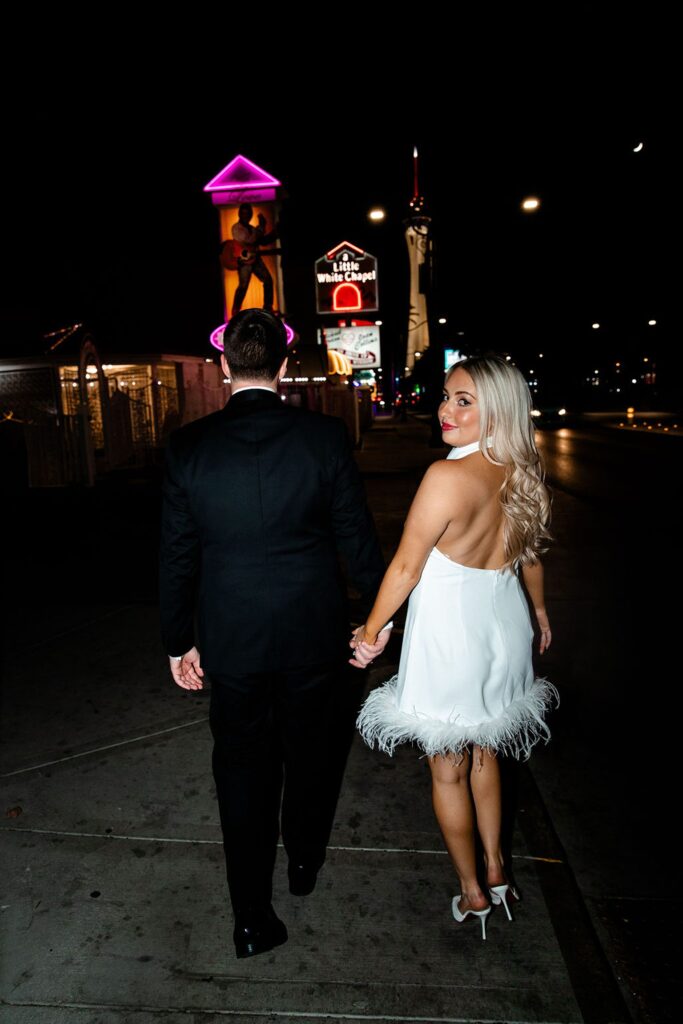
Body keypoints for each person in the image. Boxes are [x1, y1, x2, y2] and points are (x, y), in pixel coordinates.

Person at [159, 308, 389, 959]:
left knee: (241, 772)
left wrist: (179, 640)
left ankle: (251, 919)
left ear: (224, 365)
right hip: (314, 636)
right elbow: (357, 542)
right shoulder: (323, 438)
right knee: (312, 756)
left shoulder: (187, 447)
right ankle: (303, 863)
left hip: (231, 640)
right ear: (285, 367)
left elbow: (177, 556)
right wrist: (377, 622)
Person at [353, 354, 558, 941]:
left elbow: (404, 568)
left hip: (453, 638)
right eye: (446, 396)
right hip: (505, 625)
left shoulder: (447, 477)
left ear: (496, 409)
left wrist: (370, 635)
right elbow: (531, 554)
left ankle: (473, 893)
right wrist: (539, 611)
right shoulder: (519, 466)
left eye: (464, 400)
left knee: (448, 768)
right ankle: (498, 870)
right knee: (487, 751)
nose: (445, 409)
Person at [231, 204, 277, 316]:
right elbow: (248, 240)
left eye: (248, 213)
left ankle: (268, 306)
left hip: (255, 259)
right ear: (240, 214)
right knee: (243, 286)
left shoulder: (251, 229)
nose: (246, 216)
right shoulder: (236, 228)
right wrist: (260, 229)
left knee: (268, 280)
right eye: (244, 213)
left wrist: (261, 227)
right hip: (245, 261)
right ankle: (235, 310)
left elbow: (258, 238)